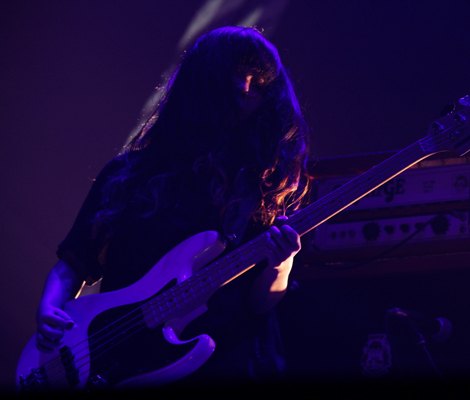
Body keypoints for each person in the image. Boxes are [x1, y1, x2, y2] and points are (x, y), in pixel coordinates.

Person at [34, 26, 310, 387]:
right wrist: (49, 308)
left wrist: (281, 264)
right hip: (116, 364)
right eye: (234, 75)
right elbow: (73, 264)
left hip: (223, 364)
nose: (244, 89)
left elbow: (259, 304)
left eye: (258, 83)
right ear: (201, 82)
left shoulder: (260, 184)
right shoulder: (129, 173)